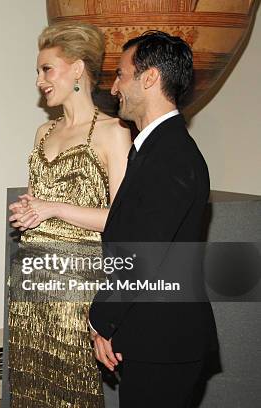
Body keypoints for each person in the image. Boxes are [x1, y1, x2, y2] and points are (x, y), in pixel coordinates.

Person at [88, 31, 218, 407]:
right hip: (152, 335)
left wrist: (101, 320)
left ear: (149, 78)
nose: (114, 88)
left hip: (166, 341)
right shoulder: (154, 149)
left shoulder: (171, 155)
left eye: (120, 75)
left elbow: (143, 255)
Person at [8, 22, 131, 407]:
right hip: (30, 280)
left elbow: (123, 219)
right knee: (31, 383)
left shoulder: (114, 133)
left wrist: (53, 208)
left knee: (71, 391)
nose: (40, 80)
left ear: (77, 69)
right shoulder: (43, 132)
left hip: (77, 289)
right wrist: (29, 208)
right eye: (38, 71)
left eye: (47, 69)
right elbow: (40, 200)